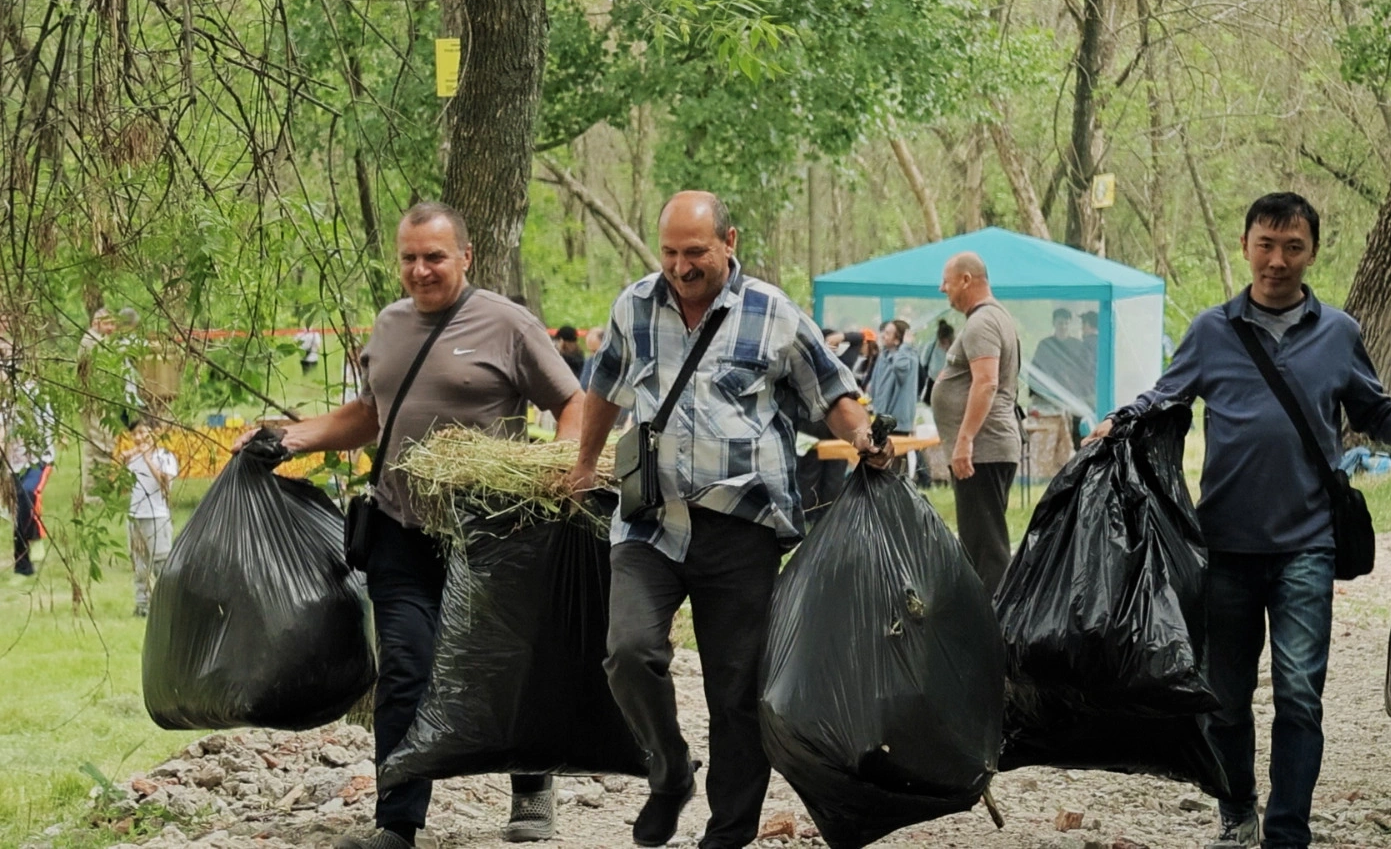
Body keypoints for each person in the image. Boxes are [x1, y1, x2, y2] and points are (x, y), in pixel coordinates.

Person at [236, 202, 583, 849]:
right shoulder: (391, 325)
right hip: (401, 524)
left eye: (434, 257)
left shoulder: (507, 324)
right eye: (409, 258)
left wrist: (560, 473)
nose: (420, 270)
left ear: (466, 256)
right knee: (405, 664)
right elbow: (371, 414)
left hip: (487, 529)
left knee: (507, 663)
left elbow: (572, 403)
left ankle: (532, 785)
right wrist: (289, 438)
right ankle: (398, 822)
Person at [1086, 192, 1391, 849]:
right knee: (1226, 702)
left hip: (1307, 546)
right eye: (1266, 245)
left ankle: (1287, 832)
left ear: (1312, 253)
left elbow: (1377, 412)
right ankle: (1237, 807)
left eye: (1292, 247)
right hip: (1226, 548)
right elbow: (1165, 395)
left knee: (1299, 697)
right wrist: (1118, 423)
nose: (1277, 261)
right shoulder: (1212, 331)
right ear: (1246, 246)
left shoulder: (1339, 333)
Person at [566, 191, 890, 849]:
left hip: (742, 526)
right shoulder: (633, 305)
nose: (680, 267)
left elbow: (831, 392)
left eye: (696, 253)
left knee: (736, 693)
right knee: (628, 653)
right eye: (670, 253)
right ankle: (668, 771)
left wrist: (864, 436)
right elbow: (602, 385)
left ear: (729, 241)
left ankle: (728, 833)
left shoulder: (772, 312)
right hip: (650, 520)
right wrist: (584, 463)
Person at [930, 251, 1021, 594]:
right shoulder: (991, 318)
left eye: (947, 281)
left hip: (982, 452)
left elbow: (986, 382)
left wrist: (964, 440)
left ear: (966, 280)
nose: (943, 289)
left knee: (987, 551)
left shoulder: (982, 322)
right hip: (984, 451)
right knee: (978, 544)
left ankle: (996, 627)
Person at [122, 416, 177, 615]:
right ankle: (142, 605)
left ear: (154, 433)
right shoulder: (132, 458)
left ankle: (166, 606)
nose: (138, 437)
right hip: (135, 515)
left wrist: (147, 458)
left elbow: (164, 483)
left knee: (161, 563)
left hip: (157, 517)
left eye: (143, 432)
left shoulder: (165, 457)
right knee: (139, 564)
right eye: (134, 434)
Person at [6, 379, 55, 578]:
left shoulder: (33, 393)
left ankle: (26, 557)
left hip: (38, 459)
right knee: (18, 510)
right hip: (12, 464)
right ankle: (23, 563)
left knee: (28, 495)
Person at [1027, 308, 1081, 476]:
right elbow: (1035, 371)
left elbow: (1081, 371)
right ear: (1054, 324)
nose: (1063, 326)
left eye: (1066, 323)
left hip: (1071, 398)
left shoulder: (1075, 345)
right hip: (1049, 400)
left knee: (1071, 435)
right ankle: (1048, 470)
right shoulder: (1045, 345)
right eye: (1060, 323)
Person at [76, 308, 121, 498]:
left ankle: (95, 491)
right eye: (107, 323)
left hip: (100, 402)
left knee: (97, 445)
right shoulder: (90, 343)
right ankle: (97, 493)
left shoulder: (99, 341)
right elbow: (93, 376)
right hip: (94, 401)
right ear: (96, 323)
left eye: (113, 323)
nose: (111, 328)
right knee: (101, 444)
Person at [869, 320, 918, 435]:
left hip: (897, 425)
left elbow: (900, 367)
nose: (883, 336)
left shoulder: (908, 358)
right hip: (881, 419)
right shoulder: (883, 356)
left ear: (897, 340)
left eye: (887, 334)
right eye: (883, 332)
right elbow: (875, 385)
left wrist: (905, 346)